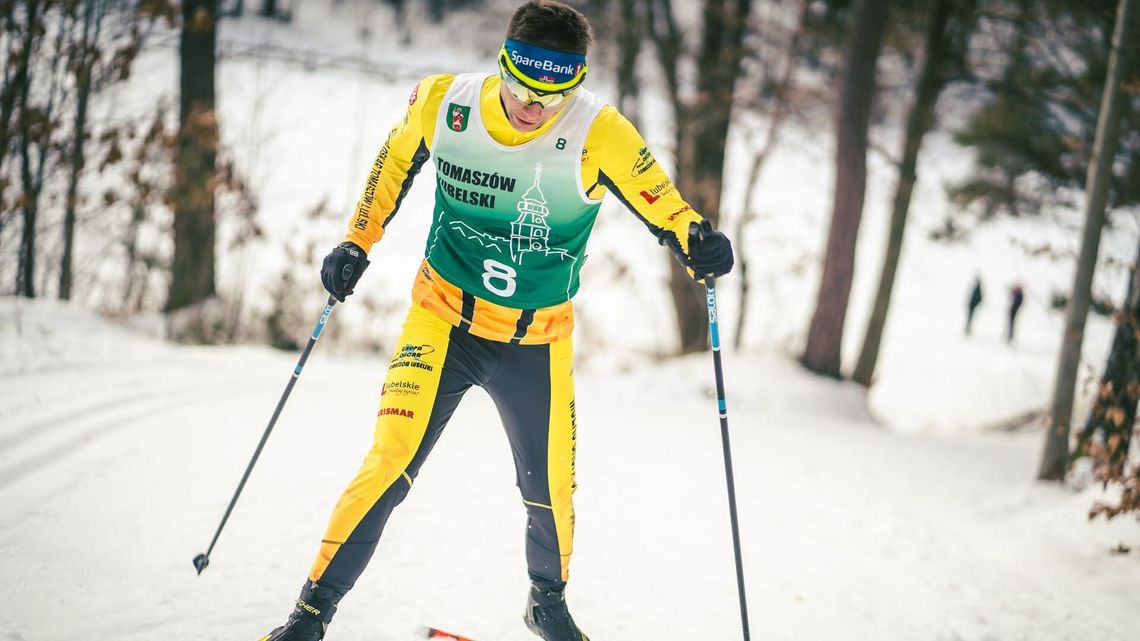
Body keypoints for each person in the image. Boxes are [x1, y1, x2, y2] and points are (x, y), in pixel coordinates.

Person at [257, 2, 734, 641]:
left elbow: (667, 207)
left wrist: (697, 240)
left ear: (575, 84)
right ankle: (309, 618)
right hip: (442, 321)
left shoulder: (599, 131)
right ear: (502, 64)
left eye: (552, 95)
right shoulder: (442, 103)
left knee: (552, 491)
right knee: (389, 461)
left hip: (535, 341)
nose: (533, 107)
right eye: (520, 87)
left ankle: (547, 603)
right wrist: (355, 242)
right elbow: (393, 164)